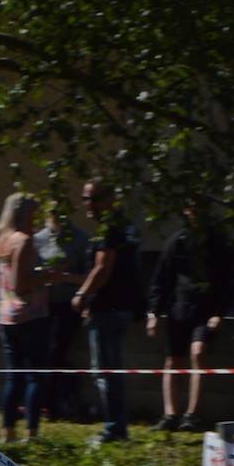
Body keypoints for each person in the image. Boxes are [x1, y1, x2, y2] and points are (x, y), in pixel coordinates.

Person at [147, 201, 234, 432]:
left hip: (206, 311)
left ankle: (192, 415)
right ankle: (171, 414)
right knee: (173, 360)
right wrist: (154, 312)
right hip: (179, 310)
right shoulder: (177, 241)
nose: (195, 213)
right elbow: (161, 278)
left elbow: (228, 282)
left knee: (198, 352)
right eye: (191, 209)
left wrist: (219, 312)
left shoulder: (219, 242)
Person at [0, 193, 74, 446]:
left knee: (14, 377)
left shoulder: (3, 239)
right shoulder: (24, 240)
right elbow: (21, 284)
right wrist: (51, 275)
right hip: (31, 315)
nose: (36, 218)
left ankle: (7, 432)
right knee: (36, 376)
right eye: (33, 213)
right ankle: (31, 433)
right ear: (22, 214)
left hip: (6, 315)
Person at [74, 178, 145, 446]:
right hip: (122, 306)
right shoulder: (125, 227)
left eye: (94, 198)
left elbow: (103, 268)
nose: (88, 204)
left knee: (105, 371)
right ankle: (117, 427)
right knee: (110, 369)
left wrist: (82, 295)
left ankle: (114, 429)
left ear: (110, 199)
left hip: (108, 308)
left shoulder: (110, 228)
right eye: (85, 198)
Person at [34, 199, 93, 420]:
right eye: (53, 213)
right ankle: (61, 400)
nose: (58, 218)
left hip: (68, 304)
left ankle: (52, 403)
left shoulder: (80, 240)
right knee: (46, 353)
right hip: (43, 303)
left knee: (55, 351)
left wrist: (64, 277)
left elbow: (89, 277)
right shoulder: (38, 239)